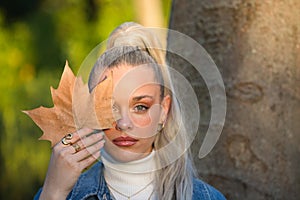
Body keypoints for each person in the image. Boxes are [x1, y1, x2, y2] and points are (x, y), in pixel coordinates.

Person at [34, 22, 226, 200]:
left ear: (163, 111)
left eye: (140, 107)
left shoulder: (206, 197)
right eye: (110, 107)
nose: (124, 123)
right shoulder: (60, 194)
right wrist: (54, 192)